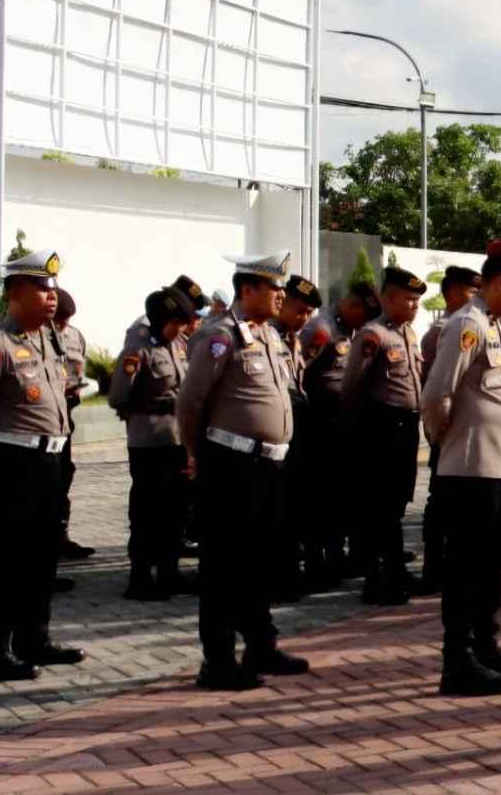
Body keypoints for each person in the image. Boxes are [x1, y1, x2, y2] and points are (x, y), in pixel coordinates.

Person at [176, 250, 307, 691]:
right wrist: (196, 454)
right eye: (274, 288)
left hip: (269, 465)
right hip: (231, 465)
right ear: (248, 289)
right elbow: (191, 402)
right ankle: (217, 661)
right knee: (223, 565)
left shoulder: (268, 336)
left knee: (259, 561)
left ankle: (260, 645)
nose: (281, 296)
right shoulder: (219, 336)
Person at [423, 241, 501, 696]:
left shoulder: (493, 325)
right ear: (498, 282)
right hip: (469, 468)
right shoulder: (467, 326)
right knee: (466, 570)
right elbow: (437, 394)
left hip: (494, 466)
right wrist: (445, 440)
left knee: (491, 566)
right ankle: (458, 661)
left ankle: (486, 646)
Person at [0, 250, 85, 681]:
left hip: (50, 460)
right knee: (9, 560)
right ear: (15, 292)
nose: (51, 298)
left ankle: (35, 639)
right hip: (13, 464)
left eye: (52, 289)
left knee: (42, 557)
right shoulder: (0, 344)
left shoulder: (47, 340)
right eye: (41, 289)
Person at [341, 266, 427, 605]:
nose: (414, 306)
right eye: (408, 299)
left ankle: (394, 570)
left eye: (417, 301)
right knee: (380, 506)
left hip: (406, 428)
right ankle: (378, 578)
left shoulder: (408, 334)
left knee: (396, 503)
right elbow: (351, 387)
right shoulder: (372, 335)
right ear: (389, 298)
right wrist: (359, 430)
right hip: (381, 428)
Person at [110, 286, 197, 601]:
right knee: (147, 512)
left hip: (175, 439)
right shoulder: (138, 348)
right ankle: (140, 577)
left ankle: (169, 573)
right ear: (161, 319)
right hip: (148, 441)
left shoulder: (176, 346)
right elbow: (118, 395)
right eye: (176, 322)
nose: (181, 329)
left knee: (174, 512)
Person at [299, 282, 380, 587]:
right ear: (354, 306)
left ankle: (335, 556)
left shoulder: (350, 329)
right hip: (319, 421)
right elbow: (298, 371)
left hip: (341, 422)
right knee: (320, 497)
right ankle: (317, 563)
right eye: (365, 314)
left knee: (338, 496)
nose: (366, 322)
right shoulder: (322, 328)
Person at [415, 265, 481, 597]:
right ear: (454, 294)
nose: (477, 298)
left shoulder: (480, 325)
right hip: (446, 429)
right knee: (439, 505)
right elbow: (435, 387)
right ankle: (432, 569)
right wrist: (436, 432)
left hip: (462, 431)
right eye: (472, 292)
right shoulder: (444, 330)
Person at [268, 274, 321, 602]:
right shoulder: (265, 336)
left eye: (308, 314)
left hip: (295, 433)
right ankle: (278, 576)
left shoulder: (291, 339)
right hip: (274, 437)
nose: (303, 318)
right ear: (282, 302)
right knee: (277, 510)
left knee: (293, 508)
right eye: (298, 310)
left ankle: (289, 571)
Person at [49, 288, 94, 567]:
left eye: (67, 319)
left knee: (64, 473)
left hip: (67, 414)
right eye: (59, 319)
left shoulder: (75, 336)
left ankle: (60, 536)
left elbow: (79, 371)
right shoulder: (33, 337)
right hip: (38, 420)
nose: (63, 324)